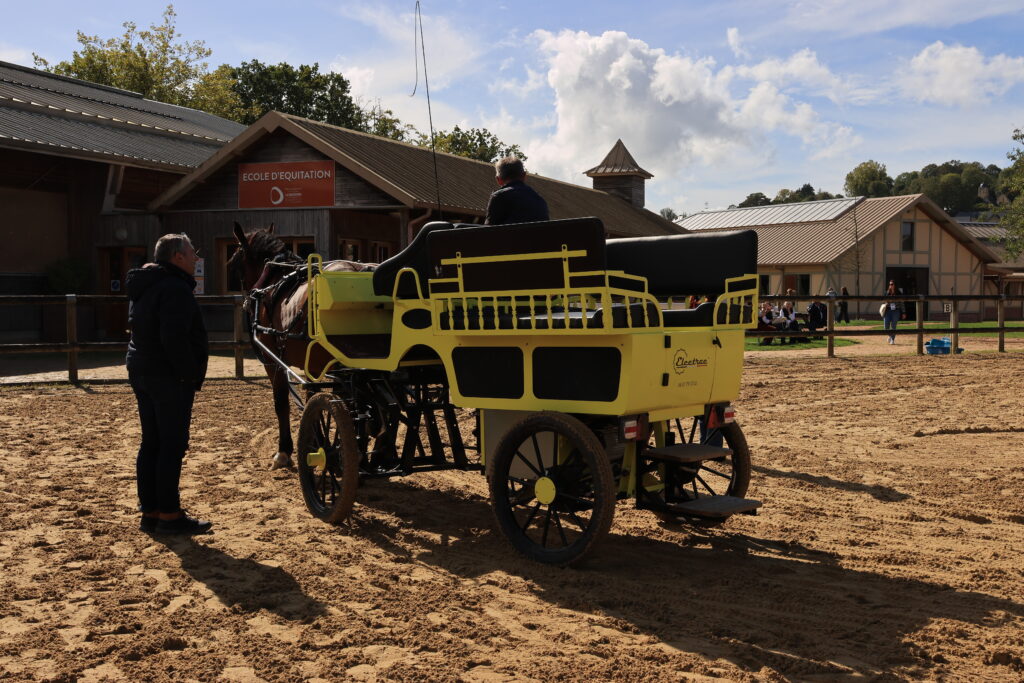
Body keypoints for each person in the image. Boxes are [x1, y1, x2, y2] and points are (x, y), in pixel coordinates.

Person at [126, 233, 211, 535]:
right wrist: (189, 374)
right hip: (167, 376)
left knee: (152, 442)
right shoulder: (175, 288)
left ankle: (150, 511)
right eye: (192, 253)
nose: (196, 258)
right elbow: (173, 339)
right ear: (177, 257)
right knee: (171, 445)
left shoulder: (146, 285)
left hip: (142, 369)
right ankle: (170, 515)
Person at [484, 156, 549, 225]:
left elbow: (487, 231)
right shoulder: (540, 201)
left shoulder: (498, 197)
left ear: (498, 180)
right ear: (524, 176)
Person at [882, 280, 905, 344]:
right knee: (886, 327)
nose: (890, 286)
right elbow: (883, 301)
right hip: (887, 311)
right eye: (890, 284)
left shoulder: (899, 293)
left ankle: (892, 339)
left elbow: (902, 303)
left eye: (892, 284)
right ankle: (890, 335)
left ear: (895, 285)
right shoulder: (887, 292)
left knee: (893, 326)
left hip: (896, 311)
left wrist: (903, 312)